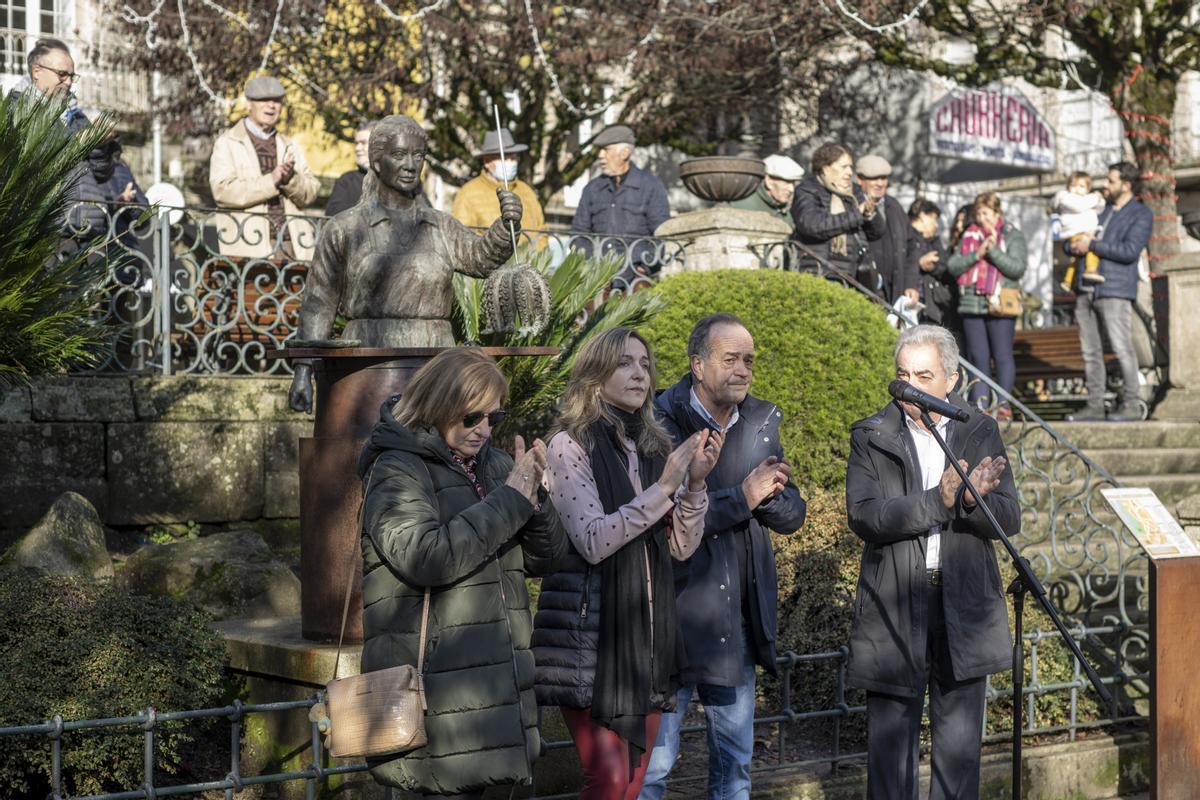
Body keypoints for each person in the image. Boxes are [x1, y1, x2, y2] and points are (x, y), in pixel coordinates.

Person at [356, 347, 567, 800]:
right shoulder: (396, 467)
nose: (485, 429)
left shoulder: (492, 463)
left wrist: (538, 499)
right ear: (439, 404)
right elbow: (425, 556)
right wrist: (512, 500)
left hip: (500, 693)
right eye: (474, 417)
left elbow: (544, 559)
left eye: (494, 417)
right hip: (441, 703)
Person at [532, 327, 721, 800]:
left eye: (644, 363)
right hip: (590, 637)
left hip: (649, 638)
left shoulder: (653, 446)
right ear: (594, 375)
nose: (639, 373)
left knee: (633, 782)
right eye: (624, 363)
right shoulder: (568, 445)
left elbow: (680, 546)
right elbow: (594, 540)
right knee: (609, 780)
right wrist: (664, 489)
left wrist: (694, 485)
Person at [846, 323, 1017, 800]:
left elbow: (1009, 516)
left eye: (924, 377)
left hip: (964, 603)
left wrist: (968, 502)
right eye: (903, 375)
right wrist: (937, 500)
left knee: (959, 760)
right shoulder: (872, 434)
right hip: (894, 605)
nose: (910, 388)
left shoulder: (978, 429)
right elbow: (866, 516)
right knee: (890, 758)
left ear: (951, 381)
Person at [640, 314, 807, 800]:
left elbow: (791, 513)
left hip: (736, 625)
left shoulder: (761, 420)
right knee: (653, 771)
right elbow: (662, 519)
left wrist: (770, 494)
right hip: (671, 620)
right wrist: (745, 496)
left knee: (734, 771)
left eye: (749, 360)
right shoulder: (657, 424)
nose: (743, 369)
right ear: (697, 364)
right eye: (730, 359)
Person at [289, 114, 523, 413]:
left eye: (418, 155)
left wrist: (506, 226)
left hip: (434, 366)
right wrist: (303, 371)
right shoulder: (345, 228)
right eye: (399, 155)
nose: (411, 165)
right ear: (376, 161)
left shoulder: (440, 226)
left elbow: (482, 259)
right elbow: (319, 301)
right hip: (365, 368)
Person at [1065, 161, 1153, 422]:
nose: (1106, 184)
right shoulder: (1099, 211)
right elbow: (1073, 236)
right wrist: (1073, 246)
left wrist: (1093, 245)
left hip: (1114, 289)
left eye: (1111, 181)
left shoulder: (1141, 214)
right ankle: (1094, 404)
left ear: (1126, 185)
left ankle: (1132, 403)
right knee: (1090, 351)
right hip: (1085, 287)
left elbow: (1129, 252)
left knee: (1121, 347)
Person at [208, 75, 321, 260]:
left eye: (277, 101)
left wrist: (290, 179)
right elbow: (222, 191)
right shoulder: (227, 143)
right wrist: (272, 180)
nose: (271, 105)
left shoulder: (290, 145)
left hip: (293, 246)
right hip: (248, 247)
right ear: (248, 104)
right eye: (263, 100)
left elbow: (311, 192)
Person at [945, 192, 1027, 421]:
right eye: (978, 213)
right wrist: (976, 254)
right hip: (972, 304)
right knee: (978, 357)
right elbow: (953, 266)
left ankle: (1002, 405)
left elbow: (1017, 268)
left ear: (997, 213)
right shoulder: (970, 235)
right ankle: (980, 405)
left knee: (1002, 356)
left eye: (986, 213)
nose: (981, 218)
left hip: (1001, 304)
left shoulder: (1012, 235)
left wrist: (992, 251)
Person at [569, 125, 671, 284]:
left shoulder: (651, 186)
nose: (600, 155)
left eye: (606, 149)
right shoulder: (592, 189)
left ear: (625, 153)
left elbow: (663, 233)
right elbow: (579, 233)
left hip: (636, 281)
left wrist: (644, 267)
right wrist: (588, 265)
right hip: (596, 281)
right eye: (600, 150)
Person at [791, 142, 886, 291]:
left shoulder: (853, 191)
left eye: (850, 167)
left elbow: (877, 232)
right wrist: (856, 214)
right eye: (843, 167)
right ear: (825, 169)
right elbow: (812, 225)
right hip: (819, 273)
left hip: (853, 275)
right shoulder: (807, 190)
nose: (849, 172)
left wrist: (870, 215)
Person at [452, 127, 546, 243]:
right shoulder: (467, 194)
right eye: (504, 158)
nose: (511, 162)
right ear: (487, 162)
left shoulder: (526, 190)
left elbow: (542, 231)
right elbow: (461, 238)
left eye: (513, 157)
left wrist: (536, 256)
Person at [857, 154, 916, 305]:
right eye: (874, 178)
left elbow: (911, 248)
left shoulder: (895, 206)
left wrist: (910, 283)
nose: (880, 183)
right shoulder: (851, 204)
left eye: (884, 178)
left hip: (895, 293)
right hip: (863, 291)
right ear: (859, 179)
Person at [8, 38, 88, 132]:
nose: (69, 82)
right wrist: (86, 138)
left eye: (72, 76)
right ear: (37, 72)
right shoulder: (17, 107)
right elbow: (45, 144)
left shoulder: (73, 109)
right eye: (62, 74)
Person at [904, 199, 957, 331]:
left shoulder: (934, 242)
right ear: (922, 215)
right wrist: (919, 263)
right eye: (933, 219)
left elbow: (945, 266)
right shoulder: (904, 237)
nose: (936, 225)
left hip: (932, 306)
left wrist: (933, 267)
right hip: (908, 302)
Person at [1052, 171, 1107, 291]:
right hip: (1076, 231)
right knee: (1091, 251)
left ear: (1088, 188)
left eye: (1081, 186)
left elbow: (1100, 208)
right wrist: (1095, 197)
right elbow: (1079, 205)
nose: (1077, 189)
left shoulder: (1087, 200)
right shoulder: (1066, 197)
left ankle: (1067, 281)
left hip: (1085, 231)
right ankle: (1091, 269)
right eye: (1073, 185)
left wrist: (1099, 200)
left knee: (1076, 260)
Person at [730, 154, 804, 233]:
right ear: (769, 182)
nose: (791, 189)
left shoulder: (783, 210)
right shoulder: (743, 205)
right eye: (787, 182)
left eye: (793, 183)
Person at [325, 121, 376, 217]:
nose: (357, 148)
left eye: (364, 143)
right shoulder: (347, 180)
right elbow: (333, 212)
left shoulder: (394, 179)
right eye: (356, 143)